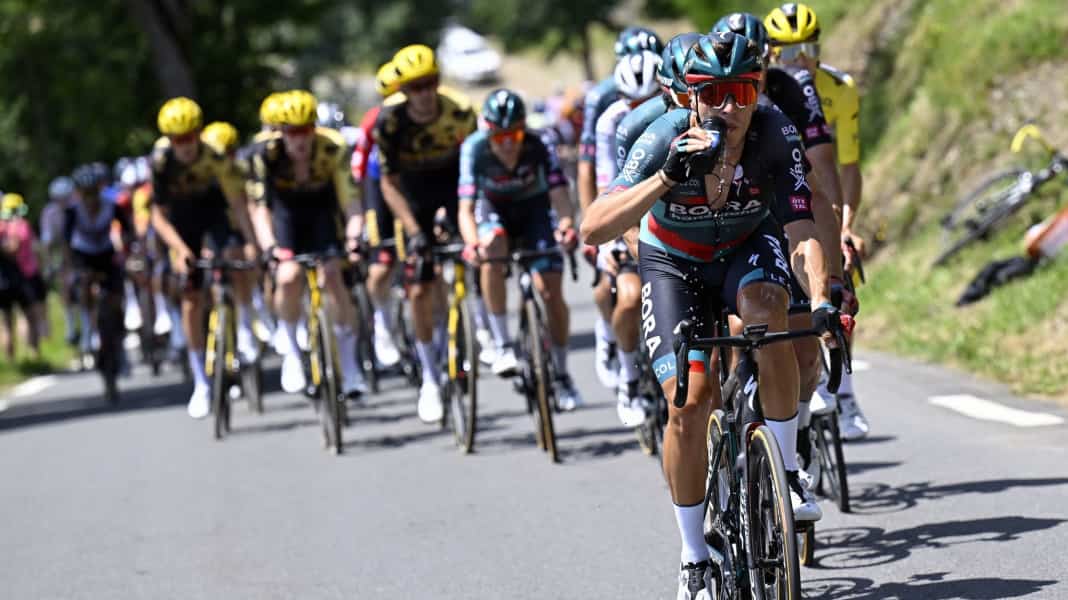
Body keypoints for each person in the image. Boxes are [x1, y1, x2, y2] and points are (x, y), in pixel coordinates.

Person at [581, 32, 837, 598]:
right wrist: (667, 177)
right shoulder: (663, 136)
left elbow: (801, 229)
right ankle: (694, 555)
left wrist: (822, 296)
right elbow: (593, 226)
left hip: (746, 247)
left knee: (770, 315)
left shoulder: (775, 133)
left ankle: (788, 470)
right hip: (674, 264)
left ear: (758, 91)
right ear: (690, 97)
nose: (729, 106)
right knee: (690, 402)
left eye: (743, 91)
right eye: (714, 92)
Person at [766, 2, 869, 439]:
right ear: (771, 55)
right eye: (788, 53)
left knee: (839, 278)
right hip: (779, 193)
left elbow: (842, 165)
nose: (799, 60)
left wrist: (845, 224)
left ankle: (845, 391)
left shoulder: (837, 89)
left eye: (807, 48)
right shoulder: (767, 91)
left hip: (821, 190)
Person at [457, 89, 583, 408]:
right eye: (499, 137)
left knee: (551, 290)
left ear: (524, 128)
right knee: (491, 248)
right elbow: (466, 209)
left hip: (533, 211)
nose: (508, 144)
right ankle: (502, 344)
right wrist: (473, 243)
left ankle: (561, 372)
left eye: (514, 134)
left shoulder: (540, 144)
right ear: (488, 133)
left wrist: (567, 225)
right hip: (493, 210)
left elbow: (559, 194)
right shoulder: (474, 149)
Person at [373, 44, 477, 422]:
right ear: (403, 90)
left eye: (430, 83)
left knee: (476, 251)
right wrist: (415, 229)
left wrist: (464, 213)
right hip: (411, 196)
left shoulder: (460, 110)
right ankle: (430, 378)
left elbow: (477, 163)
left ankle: (475, 318)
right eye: (415, 87)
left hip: (453, 186)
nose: (424, 94)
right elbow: (388, 185)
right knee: (419, 285)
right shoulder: (390, 124)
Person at [249, 89, 367, 400]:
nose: (299, 140)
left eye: (306, 131)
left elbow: (351, 204)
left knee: (333, 277)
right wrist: (269, 247)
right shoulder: (266, 155)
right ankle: (290, 348)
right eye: (292, 132)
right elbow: (260, 208)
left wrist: (355, 237)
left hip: (322, 214)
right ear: (280, 132)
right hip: (286, 217)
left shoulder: (333, 148)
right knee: (287, 277)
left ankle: (350, 364)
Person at [149, 97, 260, 419]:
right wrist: (181, 251)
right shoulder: (160, 163)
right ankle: (200, 379)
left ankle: (245, 325)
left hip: (213, 213)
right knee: (190, 293)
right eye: (177, 139)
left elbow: (238, 205)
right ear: (169, 140)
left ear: (199, 133)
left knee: (234, 257)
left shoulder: (214, 155)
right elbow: (158, 217)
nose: (184, 146)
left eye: (190, 137)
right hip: (181, 224)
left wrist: (251, 244)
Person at [578, 26, 664, 391]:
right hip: (622, 197)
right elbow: (600, 177)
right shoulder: (606, 111)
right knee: (623, 293)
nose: (642, 112)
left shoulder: (678, 108)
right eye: (633, 104)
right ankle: (626, 372)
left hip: (663, 204)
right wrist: (602, 236)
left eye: (653, 99)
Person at [0, 193, 46, 358]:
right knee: (28, 316)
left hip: (8, 279)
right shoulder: (19, 225)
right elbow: (15, 248)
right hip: (18, 278)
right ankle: (33, 356)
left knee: (6, 322)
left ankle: (13, 362)